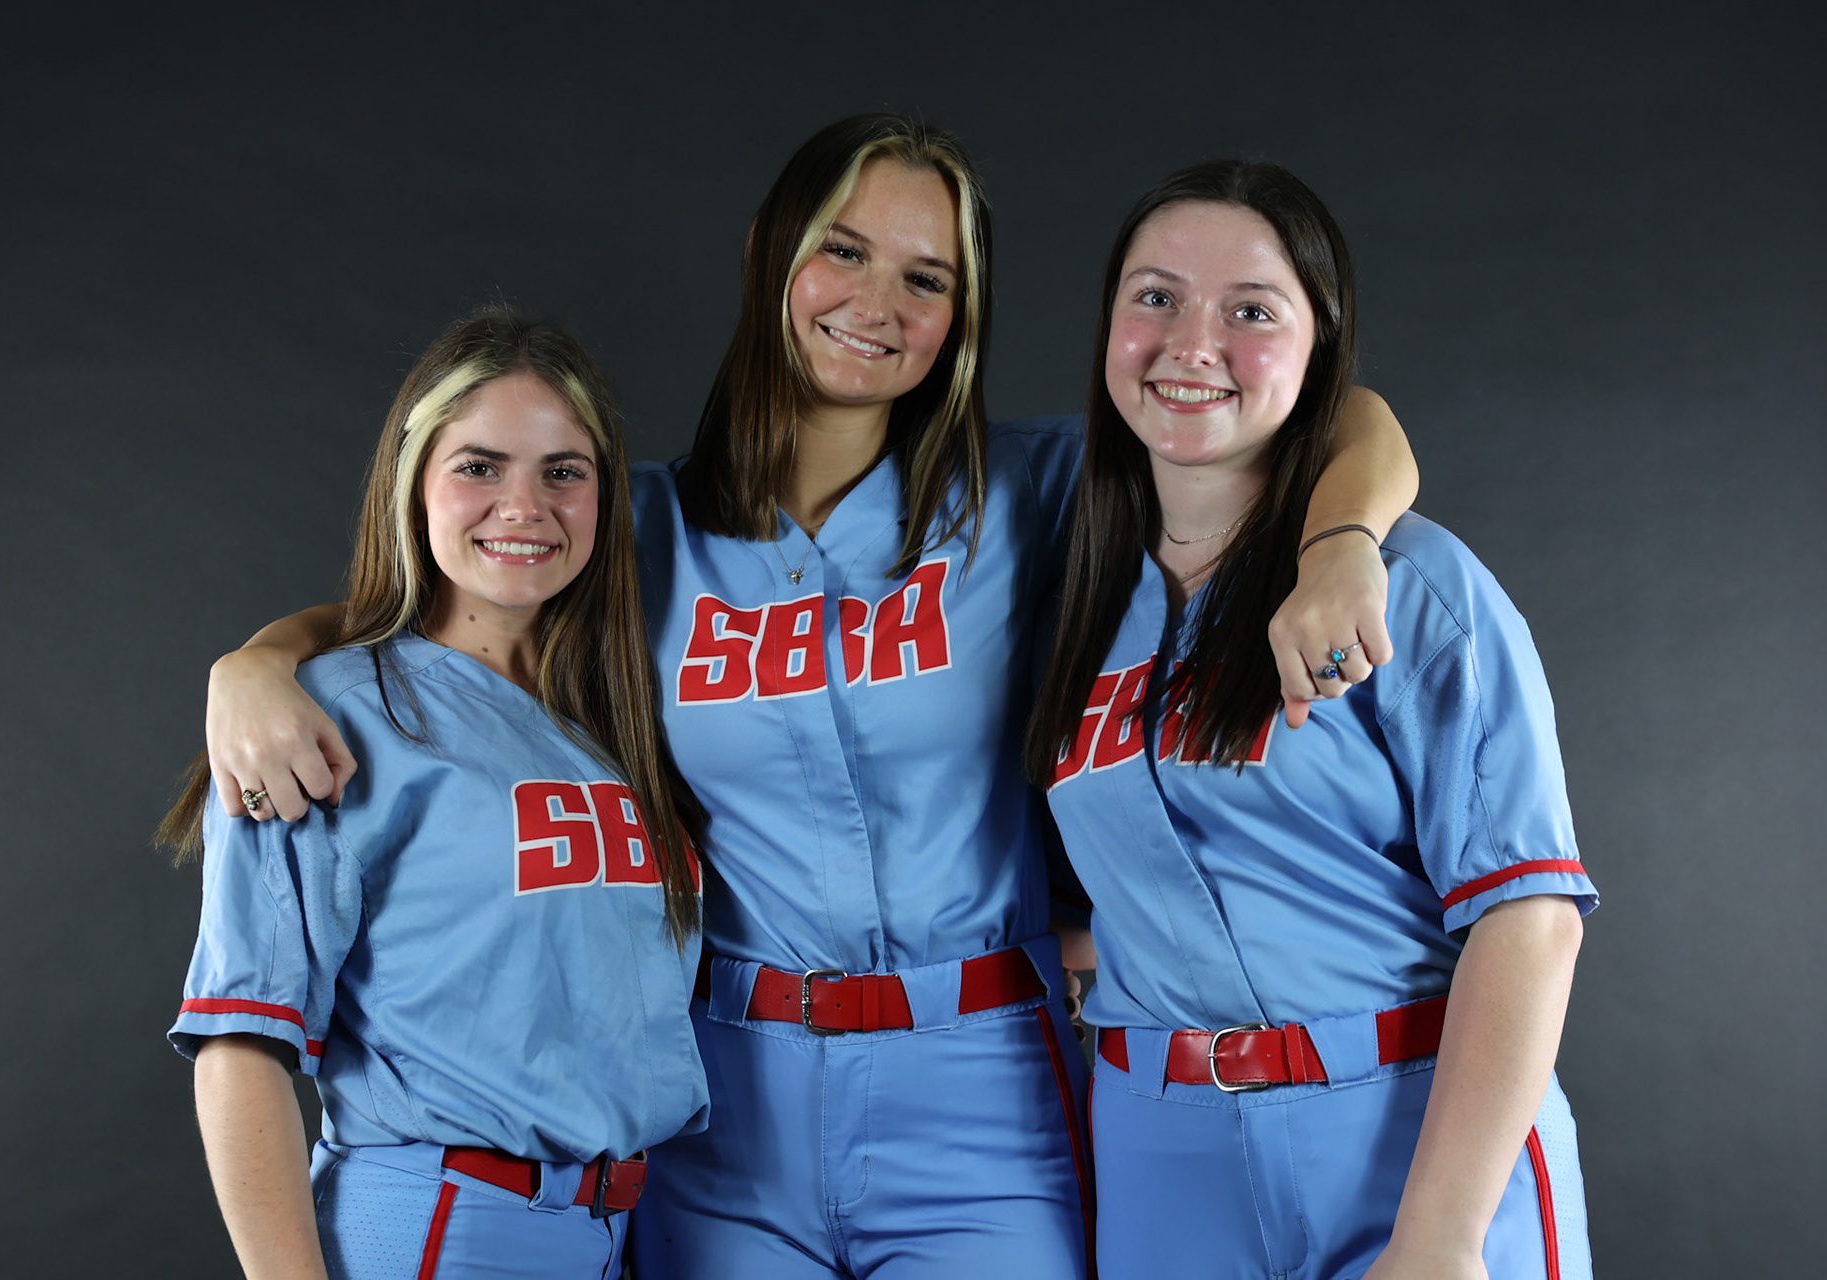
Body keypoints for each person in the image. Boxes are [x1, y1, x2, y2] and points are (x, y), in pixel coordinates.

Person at [199, 115, 1420, 1279]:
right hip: (734, 1095)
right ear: (769, 254)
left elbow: (1335, 414)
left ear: (964, 313)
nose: (878, 304)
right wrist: (257, 661)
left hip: (982, 1077)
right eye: (842, 250)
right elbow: (435, 605)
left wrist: (1345, 540)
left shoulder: (1034, 491)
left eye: (927, 277)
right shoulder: (635, 526)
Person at [1026, 160, 1595, 1279]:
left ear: (1319, 349)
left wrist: (1439, 1237)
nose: (1193, 343)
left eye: (1251, 311)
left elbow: (1531, 918)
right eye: (1155, 296)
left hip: (1407, 1136)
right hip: (1164, 1158)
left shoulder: (1410, 582)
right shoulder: (1064, 592)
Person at [163, 311, 710, 1280]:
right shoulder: (320, 713)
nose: (524, 504)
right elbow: (240, 1044)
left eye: (563, 471)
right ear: (412, 483)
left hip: (621, 1223)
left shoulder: (616, 710)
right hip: (445, 1224)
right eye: (479, 466)